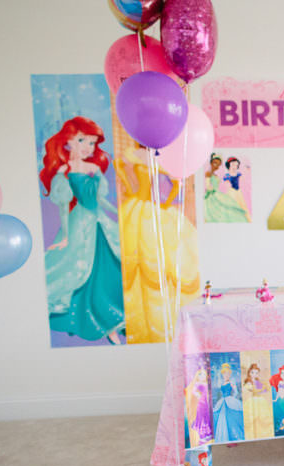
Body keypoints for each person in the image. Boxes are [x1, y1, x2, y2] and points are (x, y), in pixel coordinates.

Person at [40, 116, 125, 344]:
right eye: (82, 141)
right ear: (67, 141)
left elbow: (100, 200)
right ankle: (96, 321)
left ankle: (113, 319)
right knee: (84, 271)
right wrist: (66, 236)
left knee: (110, 268)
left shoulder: (94, 168)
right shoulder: (64, 173)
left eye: (92, 143)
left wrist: (119, 216)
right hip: (79, 225)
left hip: (99, 222)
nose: (88, 147)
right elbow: (63, 209)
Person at [114, 144, 201, 343]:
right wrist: (130, 188)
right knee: (137, 260)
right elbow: (119, 164)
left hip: (155, 210)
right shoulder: (135, 154)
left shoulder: (163, 158)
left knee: (166, 261)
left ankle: (166, 320)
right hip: (139, 207)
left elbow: (177, 184)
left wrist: (167, 202)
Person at [204, 153, 248, 223]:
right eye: (215, 163)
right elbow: (208, 186)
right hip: (211, 196)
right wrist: (212, 190)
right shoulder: (208, 173)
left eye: (218, 165)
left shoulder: (215, 174)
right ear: (211, 163)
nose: (216, 166)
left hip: (219, 193)